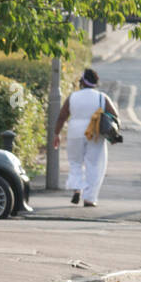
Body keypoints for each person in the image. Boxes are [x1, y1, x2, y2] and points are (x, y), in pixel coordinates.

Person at [52, 68, 118, 208]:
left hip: (74, 132)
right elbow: (115, 115)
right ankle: (89, 198)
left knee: (75, 162)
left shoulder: (73, 97)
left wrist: (56, 134)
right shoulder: (102, 97)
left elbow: (62, 116)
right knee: (94, 165)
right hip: (94, 133)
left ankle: (77, 189)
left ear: (82, 82)